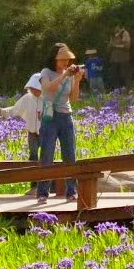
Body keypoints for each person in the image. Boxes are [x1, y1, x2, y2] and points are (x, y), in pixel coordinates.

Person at [36, 43, 83, 202]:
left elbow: (74, 99)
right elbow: (48, 88)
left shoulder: (69, 74)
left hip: (66, 116)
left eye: (67, 60)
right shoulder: (46, 72)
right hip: (50, 117)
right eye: (62, 60)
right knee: (47, 155)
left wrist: (77, 80)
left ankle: (72, 191)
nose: (66, 63)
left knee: (70, 155)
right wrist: (64, 75)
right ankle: (43, 193)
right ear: (54, 59)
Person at [0, 73, 43, 186]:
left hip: (46, 132)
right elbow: (16, 108)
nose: (34, 91)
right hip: (32, 132)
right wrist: (4, 112)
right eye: (32, 89)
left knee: (46, 158)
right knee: (33, 157)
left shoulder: (48, 98)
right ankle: (34, 185)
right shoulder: (27, 98)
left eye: (36, 89)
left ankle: (47, 185)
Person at [109, 24, 131, 88]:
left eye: (115, 27)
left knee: (124, 76)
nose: (114, 29)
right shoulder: (113, 35)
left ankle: (126, 90)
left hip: (123, 59)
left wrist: (115, 46)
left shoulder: (124, 33)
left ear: (118, 26)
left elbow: (127, 46)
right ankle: (117, 90)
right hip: (114, 59)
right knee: (115, 77)